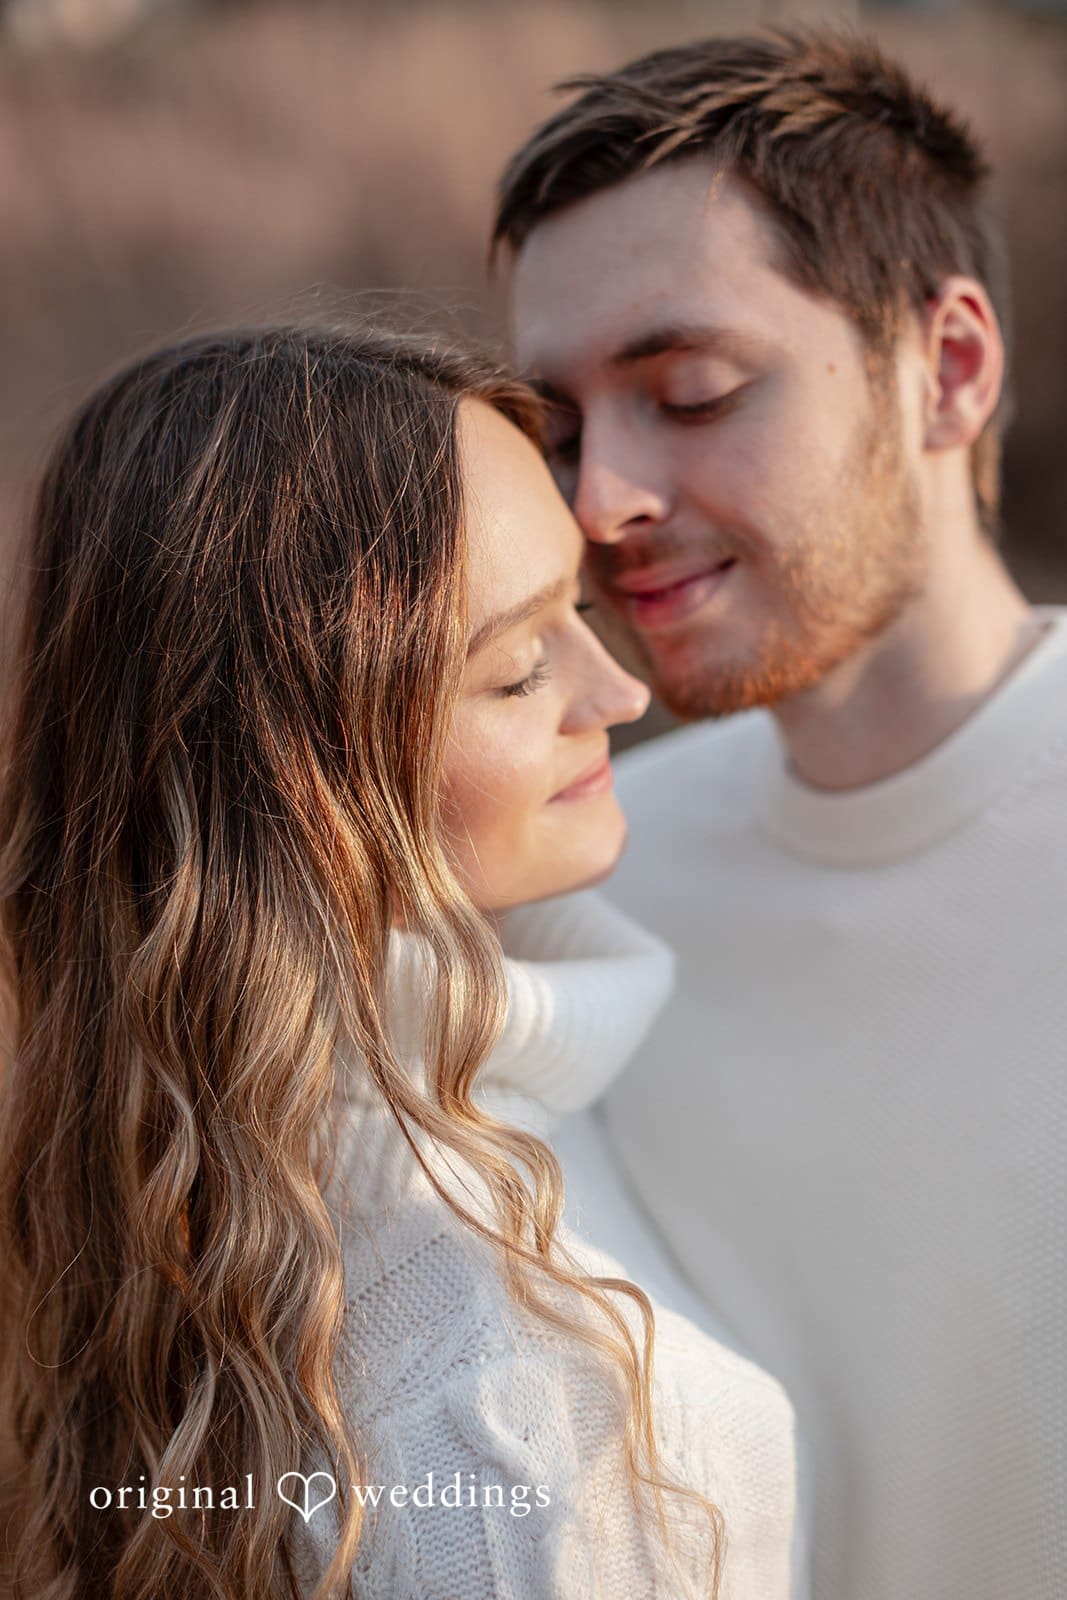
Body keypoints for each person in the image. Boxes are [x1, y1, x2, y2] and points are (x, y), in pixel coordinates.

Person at [0, 325, 796, 1600]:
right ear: (296, 777)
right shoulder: (549, 1420)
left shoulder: (121, 1155)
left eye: (582, 611)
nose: (619, 692)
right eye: (520, 669)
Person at [493, 24, 1067, 1600]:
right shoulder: (583, 894)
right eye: (560, 430)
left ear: (946, 369)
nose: (596, 501)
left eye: (689, 392)